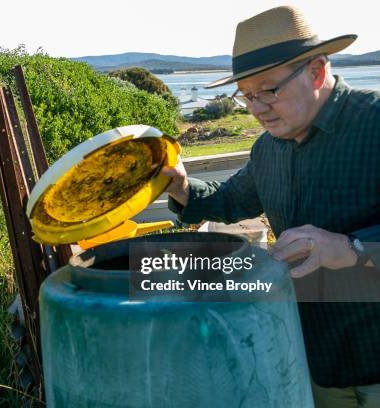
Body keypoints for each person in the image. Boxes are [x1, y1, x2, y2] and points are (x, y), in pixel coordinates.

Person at [162, 5, 380, 408]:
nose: (257, 108)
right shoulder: (268, 149)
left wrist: (350, 248)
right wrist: (181, 188)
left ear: (316, 71)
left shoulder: (375, 122)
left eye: (269, 89)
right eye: (246, 95)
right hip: (318, 363)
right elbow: (230, 200)